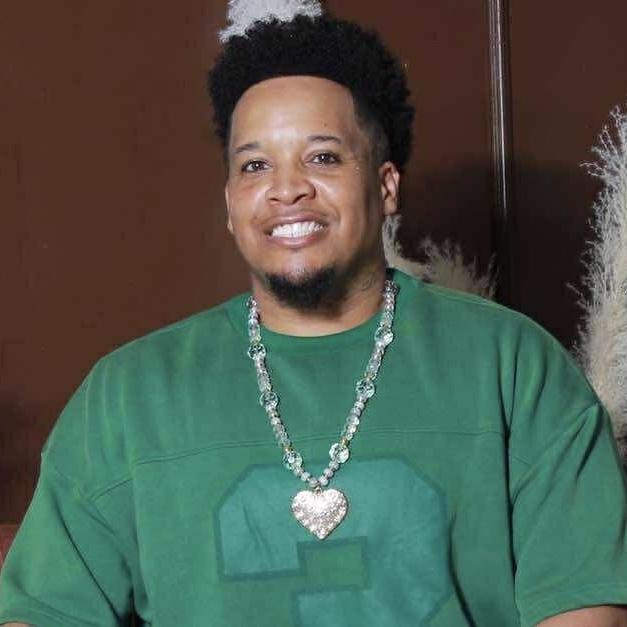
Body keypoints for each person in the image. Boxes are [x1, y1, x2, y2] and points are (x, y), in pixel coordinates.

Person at [2, 4, 627, 626]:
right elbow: (42, 614)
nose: (287, 188)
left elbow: (582, 607)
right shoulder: (129, 395)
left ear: (385, 186)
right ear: (231, 203)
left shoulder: (512, 365)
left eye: (322, 157)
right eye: (255, 165)